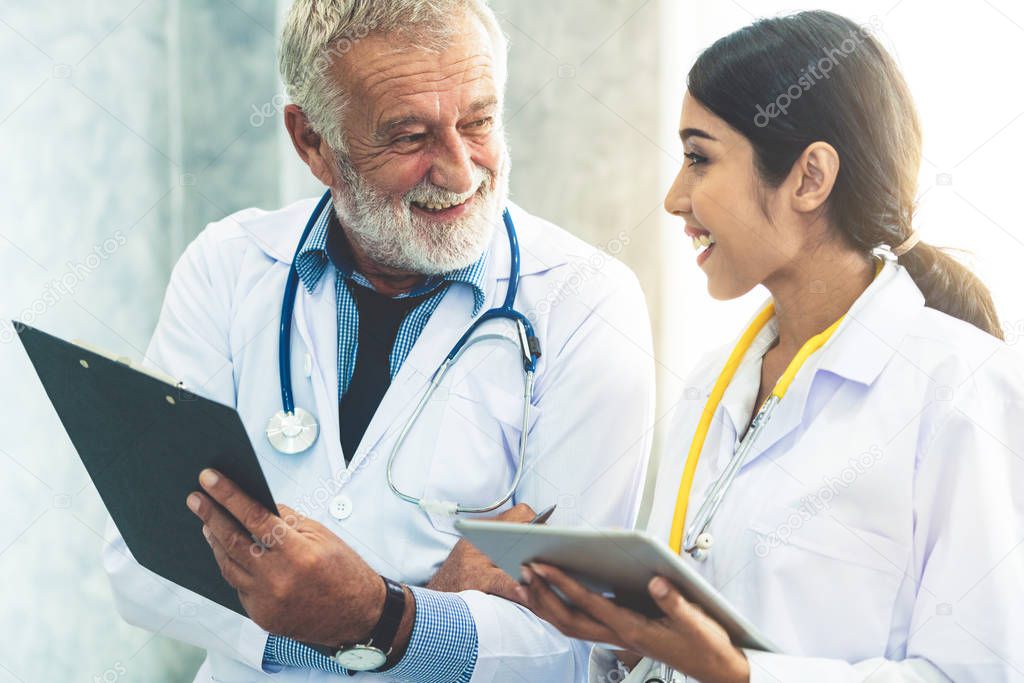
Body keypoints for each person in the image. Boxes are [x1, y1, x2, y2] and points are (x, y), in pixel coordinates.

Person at [102, 1, 655, 681]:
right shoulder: (226, 267)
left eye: (478, 121)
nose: (459, 169)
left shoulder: (587, 303)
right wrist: (392, 621)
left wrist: (368, 611)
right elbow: (140, 566)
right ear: (312, 143)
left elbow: (572, 646)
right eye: (408, 135)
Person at [517, 10, 1024, 682]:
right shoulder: (710, 384)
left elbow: (980, 673)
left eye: (699, 157)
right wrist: (629, 641)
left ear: (809, 177)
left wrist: (738, 673)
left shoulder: (960, 388)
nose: (673, 197)